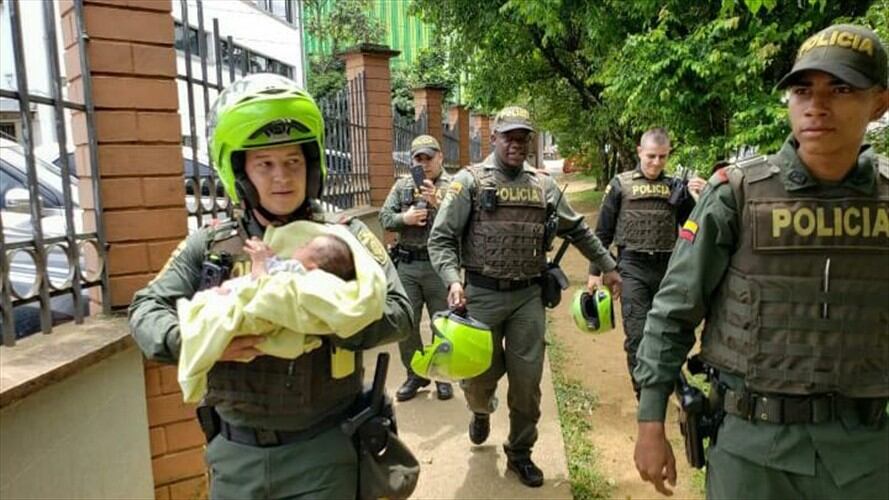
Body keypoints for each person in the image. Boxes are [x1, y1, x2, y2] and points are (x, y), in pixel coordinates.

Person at [633, 23, 888, 499]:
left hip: (866, 459)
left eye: (840, 88)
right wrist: (650, 421)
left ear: (879, 102)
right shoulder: (738, 193)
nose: (816, 104)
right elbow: (674, 308)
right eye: (801, 89)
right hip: (753, 452)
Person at [128, 73, 412, 499]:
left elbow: (400, 313)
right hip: (234, 457)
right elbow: (145, 310)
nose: (283, 177)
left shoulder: (343, 236)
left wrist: (320, 315)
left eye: (293, 162)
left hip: (323, 454)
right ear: (240, 170)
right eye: (266, 164)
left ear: (311, 166)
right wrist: (201, 341)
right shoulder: (213, 246)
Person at [428, 106, 622, 487]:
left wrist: (609, 265)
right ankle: (480, 411)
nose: (516, 143)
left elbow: (578, 230)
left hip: (527, 300)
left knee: (527, 384)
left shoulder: (543, 185)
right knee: (478, 382)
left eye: (523, 137)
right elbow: (442, 237)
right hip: (480, 296)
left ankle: (520, 452)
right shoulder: (470, 182)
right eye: (509, 136)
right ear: (495, 137)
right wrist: (452, 280)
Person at [176, 227, 386, 404]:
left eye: (305, 246)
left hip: (326, 420)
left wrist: (318, 329)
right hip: (235, 427)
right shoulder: (213, 239)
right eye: (265, 173)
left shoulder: (346, 233)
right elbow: (149, 310)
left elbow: (267, 289)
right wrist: (182, 342)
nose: (281, 178)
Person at [589, 128, 704, 400]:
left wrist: (699, 197)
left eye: (662, 157)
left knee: (668, 332)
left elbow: (693, 229)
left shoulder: (676, 186)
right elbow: (602, 232)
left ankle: (670, 381)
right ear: (640, 151)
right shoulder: (620, 184)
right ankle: (645, 394)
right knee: (638, 334)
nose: (656, 163)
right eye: (651, 156)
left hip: (667, 269)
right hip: (632, 267)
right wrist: (596, 271)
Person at [380, 134, 454, 402]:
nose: (424, 163)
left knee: (442, 324)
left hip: (438, 266)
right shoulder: (402, 186)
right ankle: (416, 374)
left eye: (429, 157)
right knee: (405, 323)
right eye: (418, 158)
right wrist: (405, 218)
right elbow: (384, 218)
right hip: (408, 265)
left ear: (440, 158)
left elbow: (463, 220)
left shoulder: (454, 185)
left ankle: (443, 375)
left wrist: (437, 202)